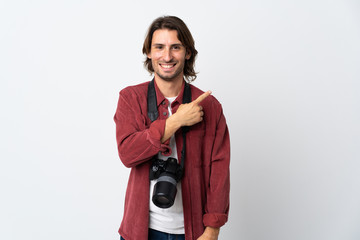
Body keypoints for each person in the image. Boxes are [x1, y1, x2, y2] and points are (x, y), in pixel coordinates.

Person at [114, 16, 230, 240]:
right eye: (159, 47)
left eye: (175, 47)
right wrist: (176, 121)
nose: (167, 56)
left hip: (193, 232)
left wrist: (213, 229)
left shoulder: (209, 106)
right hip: (140, 231)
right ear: (149, 52)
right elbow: (127, 154)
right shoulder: (130, 98)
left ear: (187, 52)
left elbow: (220, 171)